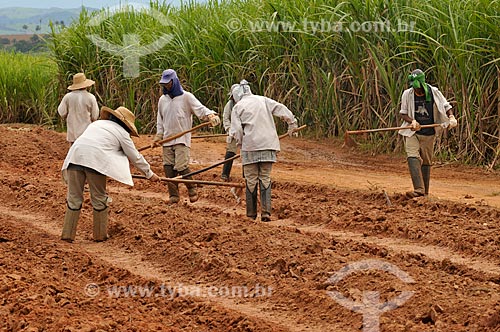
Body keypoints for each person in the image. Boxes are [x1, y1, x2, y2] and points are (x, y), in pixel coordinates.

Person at [61, 106, 160, 242]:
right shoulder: (122, 134)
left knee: (74, 198)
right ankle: (100, 236)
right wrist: (150, 174)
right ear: (126, 125)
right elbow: (135, 157)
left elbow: (91, 143)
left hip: (74, 157)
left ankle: (67, 234)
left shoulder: (96, 124)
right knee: (99, 199)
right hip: (95, 162)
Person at [229, 80, 298, 222]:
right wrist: (292, 123)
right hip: (268, 144)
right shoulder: (263, 100)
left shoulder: (238, 107)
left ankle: (251, 214)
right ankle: (266, 212)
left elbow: (237, 131)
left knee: (251, 179)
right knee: (265, 177)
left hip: (250, 147)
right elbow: (281, 109)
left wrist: (240, 144)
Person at [154, 69, 220, 204]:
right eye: (164, 84)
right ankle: (173, 196)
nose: (166, 86)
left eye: (168, 83)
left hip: (181, 139)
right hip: (167, 139)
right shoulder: (162, 100)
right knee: (168, 168)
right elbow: (160, 120)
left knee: (181, 166)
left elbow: (200, 109)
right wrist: (158, 135)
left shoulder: (186, 97)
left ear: (175, 81)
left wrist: (210, 115)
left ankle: (191, 187)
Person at [398, 68, 458, 198]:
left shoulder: (434, 92)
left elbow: (447, 106)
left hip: (429, 132)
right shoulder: (407, 94)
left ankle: (424, 192)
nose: (416, 91)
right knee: (412, 155)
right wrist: (412, 120)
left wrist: (451, 117)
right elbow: (402, 113)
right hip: (412, 131)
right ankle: (418, 189)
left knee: (426, 160)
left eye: (418, 88)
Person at [58, 72, 99, 145]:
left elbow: (62, 112)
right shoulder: (90, 97)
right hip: (86, 132)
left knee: (73, 150)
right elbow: (95, 116)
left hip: (72, 132)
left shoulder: (68, 97)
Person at [221, 84, 240, 181]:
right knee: (230, 152)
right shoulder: (230, 105)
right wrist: (229, 130)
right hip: (233, 131)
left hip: (246, 132)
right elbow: (225, 118)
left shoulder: (247, 103)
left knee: (247, 154)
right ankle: (225, 174)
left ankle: (246, 177)